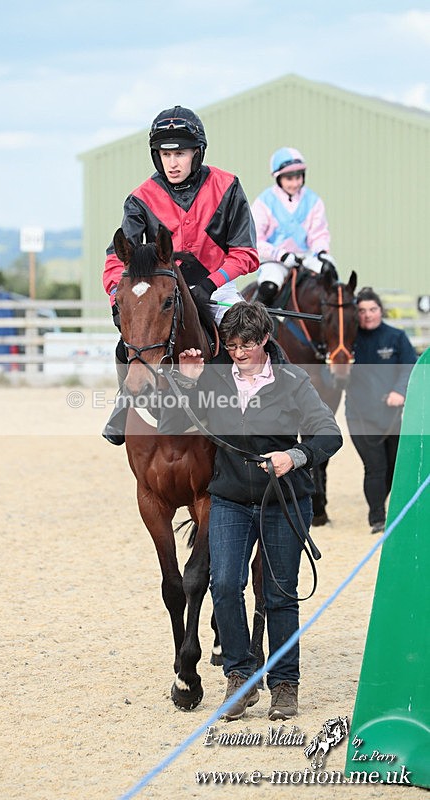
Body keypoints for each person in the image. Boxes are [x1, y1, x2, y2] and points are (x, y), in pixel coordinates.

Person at [165, 301, 342, 721]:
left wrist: (295, 456)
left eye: (246, 344)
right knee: (225, 585)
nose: (238, 352)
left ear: (264, 339)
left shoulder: (293, 380)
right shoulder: (214, 378)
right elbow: (178, 425)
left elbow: (328, 433)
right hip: (228, 499)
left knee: (280, 594)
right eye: (230, 344)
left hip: (283, 500)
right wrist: (188, 385)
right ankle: (240, 678)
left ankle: (284, 683)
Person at [102, 104, 259, 445]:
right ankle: (123, 402)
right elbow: (117, 259)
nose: (172, 162)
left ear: (197, 153)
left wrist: (209, 285)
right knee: (130, 340)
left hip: (215, 285)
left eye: (180, 153)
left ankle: (272, 412)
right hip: (160, 290)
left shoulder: (228, 186)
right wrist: (119, 295)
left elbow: (246, 254)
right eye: (165, 154)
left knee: (254, 333)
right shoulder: (140, 198)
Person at [345, 288, 417, 534]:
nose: (367, 315)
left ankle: (386, 508)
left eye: (372, 309)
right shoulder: (349, 340)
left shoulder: (396, 337)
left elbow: (410, 366)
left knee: (393, 465)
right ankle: (377, 518)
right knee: (375, 466)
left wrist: (400, 391)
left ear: (380, 310)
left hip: (392, 414)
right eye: (362, 311)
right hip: (360, 416)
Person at [251, 147, 336, 306]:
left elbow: (319, 234)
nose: (295, 183)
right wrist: (281, 255)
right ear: (278, 178)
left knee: (330, 272)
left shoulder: (313, 200)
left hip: (306, 257)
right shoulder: (264, 202)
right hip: (275, 260)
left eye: (298, 177)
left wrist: (322, 252)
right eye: (289, 178)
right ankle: (253, 324)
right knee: (269, 287)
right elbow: (255, 240)